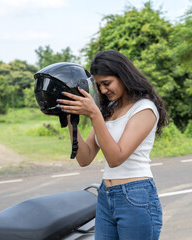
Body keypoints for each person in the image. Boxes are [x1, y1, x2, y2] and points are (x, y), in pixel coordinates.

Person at [57, 50, 169, 240]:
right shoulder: (109, 110)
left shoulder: (144, 108)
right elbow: (85, 158)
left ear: (123, 76)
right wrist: (69, 119)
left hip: (135, 195)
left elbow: (116, 158)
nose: (102, 91)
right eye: (98, 85)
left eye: (107, 83)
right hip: (106, 195)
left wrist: (94, 114)